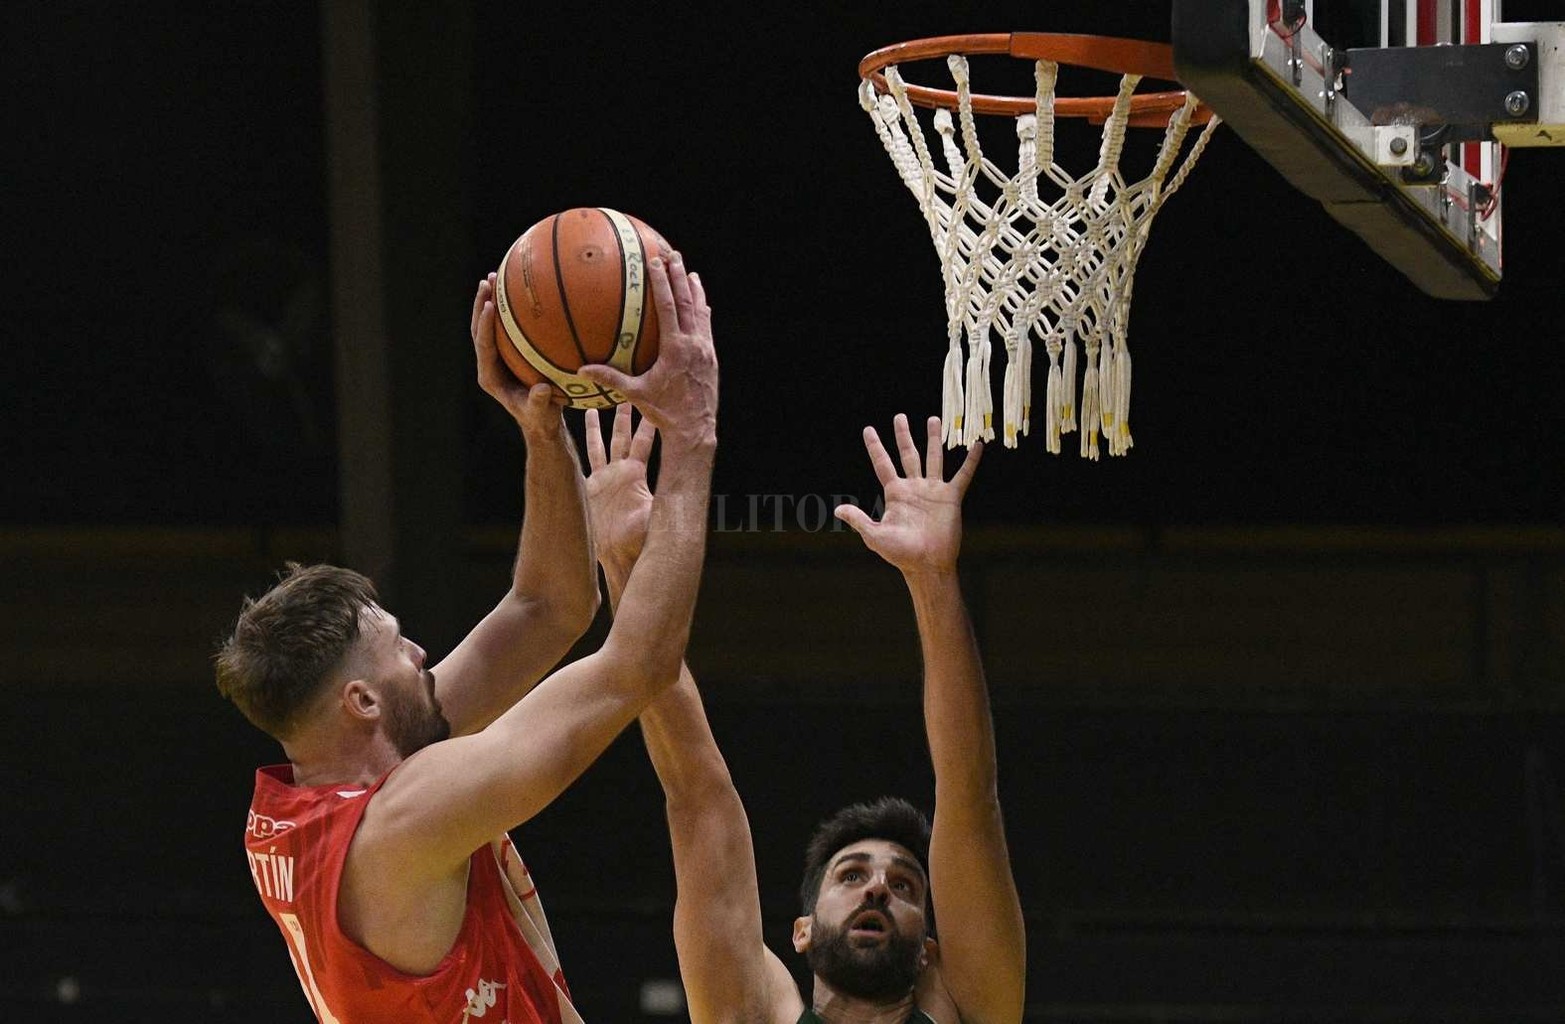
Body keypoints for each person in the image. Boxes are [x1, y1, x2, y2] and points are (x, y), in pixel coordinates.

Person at [215, 253, 718, 1024]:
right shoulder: (406, 822)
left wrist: (539, 428)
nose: (422, 655)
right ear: (360, 701)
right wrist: (692, 432)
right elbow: (638, 666)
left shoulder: (327, 785)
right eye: (398, 645)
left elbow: (549, 608)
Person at [582, 406, 1024, 1024]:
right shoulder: (749, 1012)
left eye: (904, 886)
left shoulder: (973, 1009)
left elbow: (969, 794)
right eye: (852, 876)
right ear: (803, 931)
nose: (878, 888)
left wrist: (934, 580)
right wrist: (622, 564)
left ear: (928, 951)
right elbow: (697, 795)